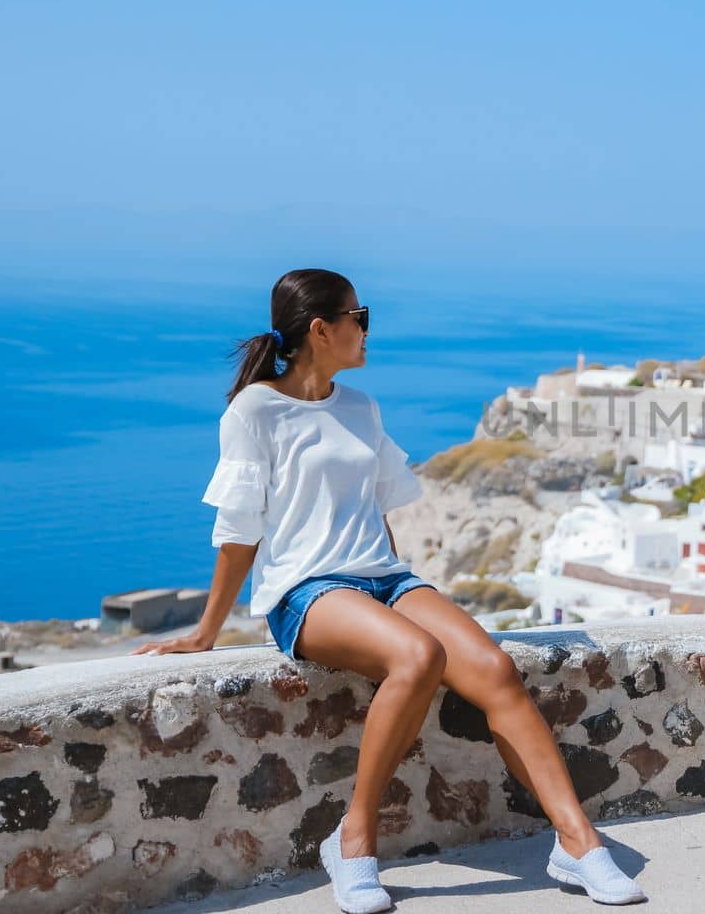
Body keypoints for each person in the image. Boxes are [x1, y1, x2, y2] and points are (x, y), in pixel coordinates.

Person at [131, 269, 644, 911]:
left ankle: (576, 843)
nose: (367, 329)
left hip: (383, 577)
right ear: (322, 329)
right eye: (359, 316)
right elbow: (239, 533)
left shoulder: (361, 408)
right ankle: (354, 838)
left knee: (493, 667)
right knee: (417, 656)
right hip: (306, 592)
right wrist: (207, 631)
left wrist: (398, 589)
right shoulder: (254, 412)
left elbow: (380, 512)